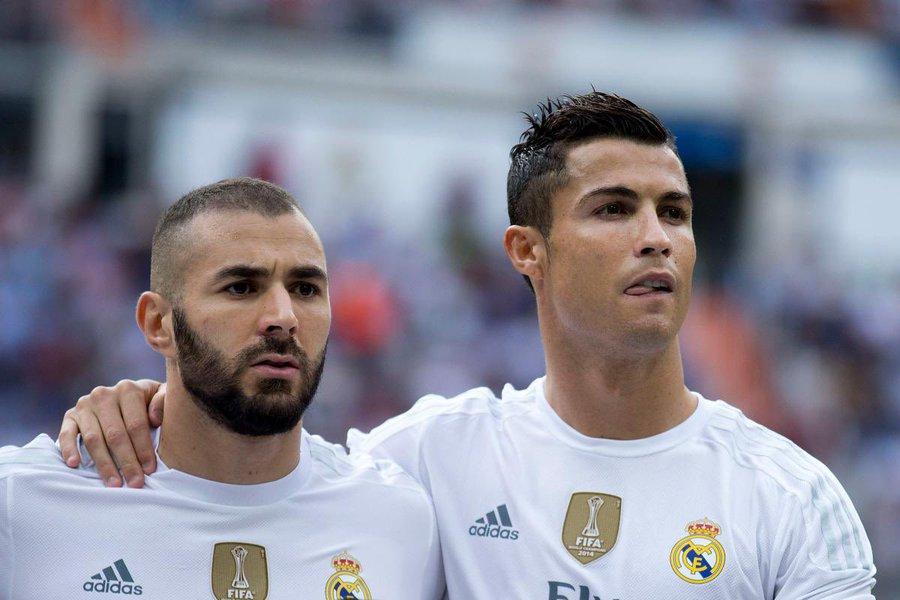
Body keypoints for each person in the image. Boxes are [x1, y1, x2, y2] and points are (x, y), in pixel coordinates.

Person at [57, 93, 876, 599]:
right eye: (614, 208)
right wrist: (142, 404)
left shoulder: (792, 497)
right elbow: (256, 472)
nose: (656, 237)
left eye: (675, 212)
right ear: (526, 251)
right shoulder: (425, 461)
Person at [1, 178, 442, 599]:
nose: (283, 317)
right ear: (158, 324)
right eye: (241, 287)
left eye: (305, 289)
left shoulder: (398, 517)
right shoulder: (23, 504)